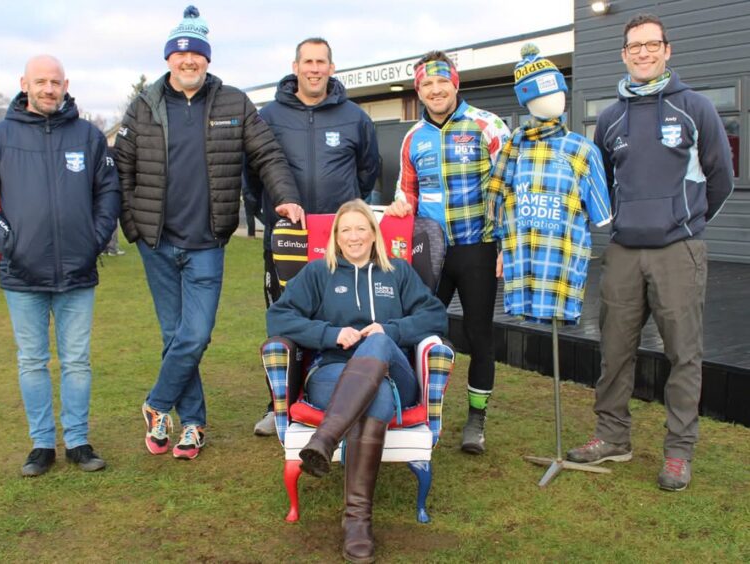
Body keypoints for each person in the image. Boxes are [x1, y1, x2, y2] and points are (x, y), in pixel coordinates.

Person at [114, 5, 304, 460]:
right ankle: (192, 425)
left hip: (206, 243)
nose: (188, 62)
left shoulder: (233, 103)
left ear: (207, 59)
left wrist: (286, 195)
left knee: (194, 335)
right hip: (157, 243)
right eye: (180, 55)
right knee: (173, 335)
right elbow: (121, 171)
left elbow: (268, 155)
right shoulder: (142, 108)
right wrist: (133, 226)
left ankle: (158, 404)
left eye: (196, 55)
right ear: (168, 60)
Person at [566, 13, 734, 492]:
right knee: (614, 350)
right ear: (623, 54)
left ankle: (679, 452)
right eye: (634, 46)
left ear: (667, 50)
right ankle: (612, 436)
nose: (643, 52)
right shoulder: (610, 117)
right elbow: (601, 184)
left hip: (677, 251)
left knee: (684, 354)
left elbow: (720, 178)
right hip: (622, 252)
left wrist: (687, 223)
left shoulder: (695, 108)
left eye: (651, 45)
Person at [0, 55, 120, 476]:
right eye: (41, 82)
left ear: (66, 84)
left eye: (55, 82)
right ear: (24, 84)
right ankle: (41, 444)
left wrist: (95, 237)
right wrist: (5, 240)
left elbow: (108, 192)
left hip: (77, 271)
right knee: (32, 362)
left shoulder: (87, 136)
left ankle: (78, 441)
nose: (49, 89)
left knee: (77, 362)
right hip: (22, 274)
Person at [267, 199, 447, 562]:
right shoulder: (319, 273)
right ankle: (357, 523)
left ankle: (324, 439)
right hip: (332, 371)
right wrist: (330, 334)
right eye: (346, 229)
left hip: (394, 372)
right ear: (336, 236)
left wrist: (392, 329)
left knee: (378, 341)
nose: (354, 236)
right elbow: (278, 318)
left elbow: (435, 316)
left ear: (373, 233)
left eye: (361, 228)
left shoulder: (396, 271)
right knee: (375, 394)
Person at [248, 37, 380, 436]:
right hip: (287, 239)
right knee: (286, 317)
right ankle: (279, 404)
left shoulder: (354, 116)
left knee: (340, 314)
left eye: (322, 62)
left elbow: (367, 172)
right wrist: (272, 219)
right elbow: (252, 177)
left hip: (339, 243)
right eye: (308, 61)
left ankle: (343, 391)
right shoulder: (268, 116)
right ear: (295, 66)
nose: (315, 69)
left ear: (332, 68)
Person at [385, 50, 510, 454]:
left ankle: (476, 418)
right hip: (427, 253)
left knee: (479, 333)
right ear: (418, 90)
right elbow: (406, 193)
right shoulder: (412, 137)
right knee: (418, 329)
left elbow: (510, 190)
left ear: (455, 83)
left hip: (477, 247)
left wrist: (506, 246)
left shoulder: (488, 125)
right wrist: (400, 207)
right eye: (426, 84)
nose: (435, 90)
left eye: (442, 82)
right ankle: (415, 406)